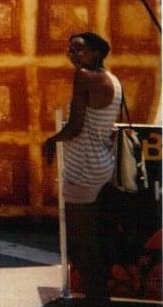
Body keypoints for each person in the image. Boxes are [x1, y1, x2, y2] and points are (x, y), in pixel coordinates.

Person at [43, 32, 122, 306]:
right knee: (93, 239)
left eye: (80, 50)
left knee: (81, 244)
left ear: (97, 53)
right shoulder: (112, 79)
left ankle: (96, 300)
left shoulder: (85, 77)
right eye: (70, 50)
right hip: (103, 164)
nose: (73, 55)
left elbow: (76, 126)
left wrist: (51, 141)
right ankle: (99, 296)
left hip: (84, 170)